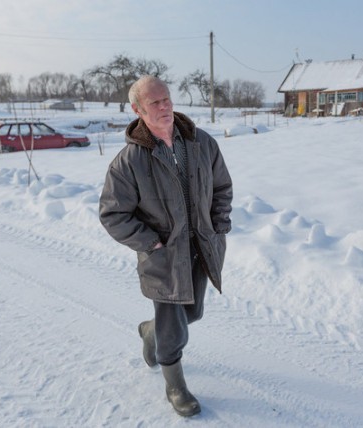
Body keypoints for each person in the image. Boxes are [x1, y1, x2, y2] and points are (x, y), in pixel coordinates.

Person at [99, 75, 233, 417]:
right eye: (155, 102)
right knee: (174, 329)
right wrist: (151, 242)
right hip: (162, 257)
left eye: (167, 99)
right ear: (138, 109)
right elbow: (113, 214)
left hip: (201, 247)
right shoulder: (129, 162)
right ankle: (176, 386)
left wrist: (218, 226)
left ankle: (150, 332)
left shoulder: (201, 143)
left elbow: (221, 188)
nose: (165, 106)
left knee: (193, 313)